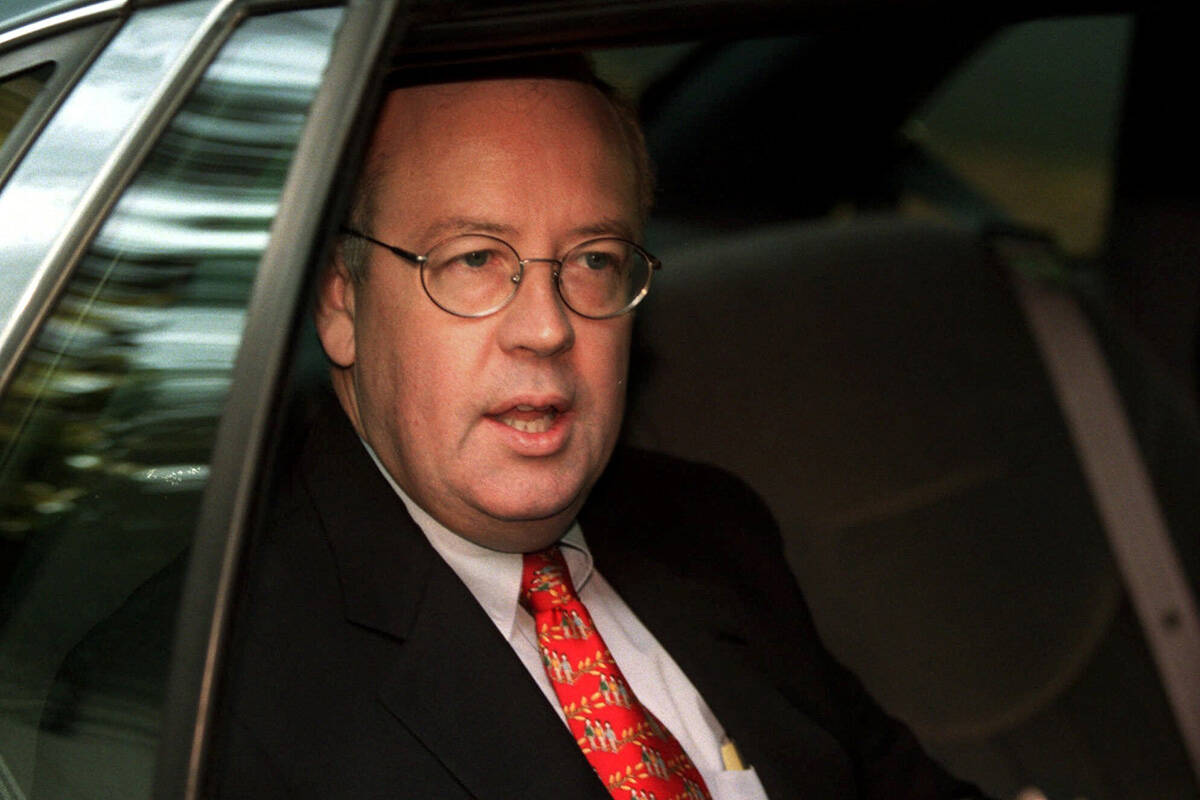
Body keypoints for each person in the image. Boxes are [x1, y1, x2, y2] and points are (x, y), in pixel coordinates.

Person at [209, 57, 987, 799]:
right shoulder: (217, 687)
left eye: (593, 259)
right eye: (476, 258)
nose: (547, 327)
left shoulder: (710, 528)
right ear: (342, 302)